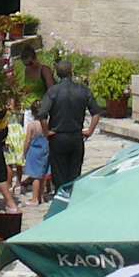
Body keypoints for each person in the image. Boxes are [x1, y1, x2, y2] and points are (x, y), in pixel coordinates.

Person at [35, 67, 101, 196]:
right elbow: (96, 113)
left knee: (59, 172)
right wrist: (90, 130)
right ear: (71, 72)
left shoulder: (53, 91)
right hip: (76, 136)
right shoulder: (83, 90)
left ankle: (61, 196)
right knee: (74, 172)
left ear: (57, 74)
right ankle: (72, 196)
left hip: (58, 137)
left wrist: (46, 132)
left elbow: (42, 115)